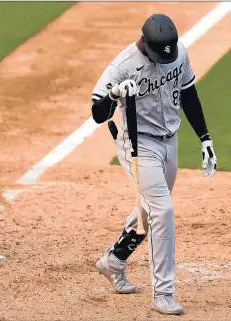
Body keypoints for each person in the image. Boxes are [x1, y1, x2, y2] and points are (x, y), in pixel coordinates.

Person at [91, 13, 217, 315]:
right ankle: (163, 293)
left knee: (150, 207)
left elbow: (188, 94)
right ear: (145, 42)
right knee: (163, 210)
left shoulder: (178, 53)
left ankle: (114, 261)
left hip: (169, 141)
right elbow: (97, 113)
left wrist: (205, 137)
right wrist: (115, 93)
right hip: (137, 143)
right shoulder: (122, 66)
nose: (165, 57)